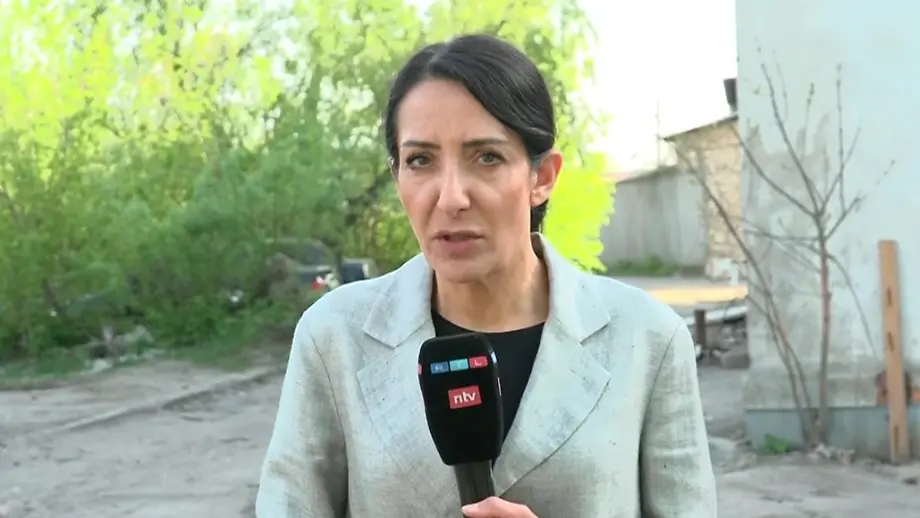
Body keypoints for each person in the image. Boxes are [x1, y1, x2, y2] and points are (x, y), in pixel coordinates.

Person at [255, 34, 717, 518]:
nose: (450, 197)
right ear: (397, 177)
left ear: (542, 177)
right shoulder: (334, 337)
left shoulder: (647, 339)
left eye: (487, 157)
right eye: (420, 160)